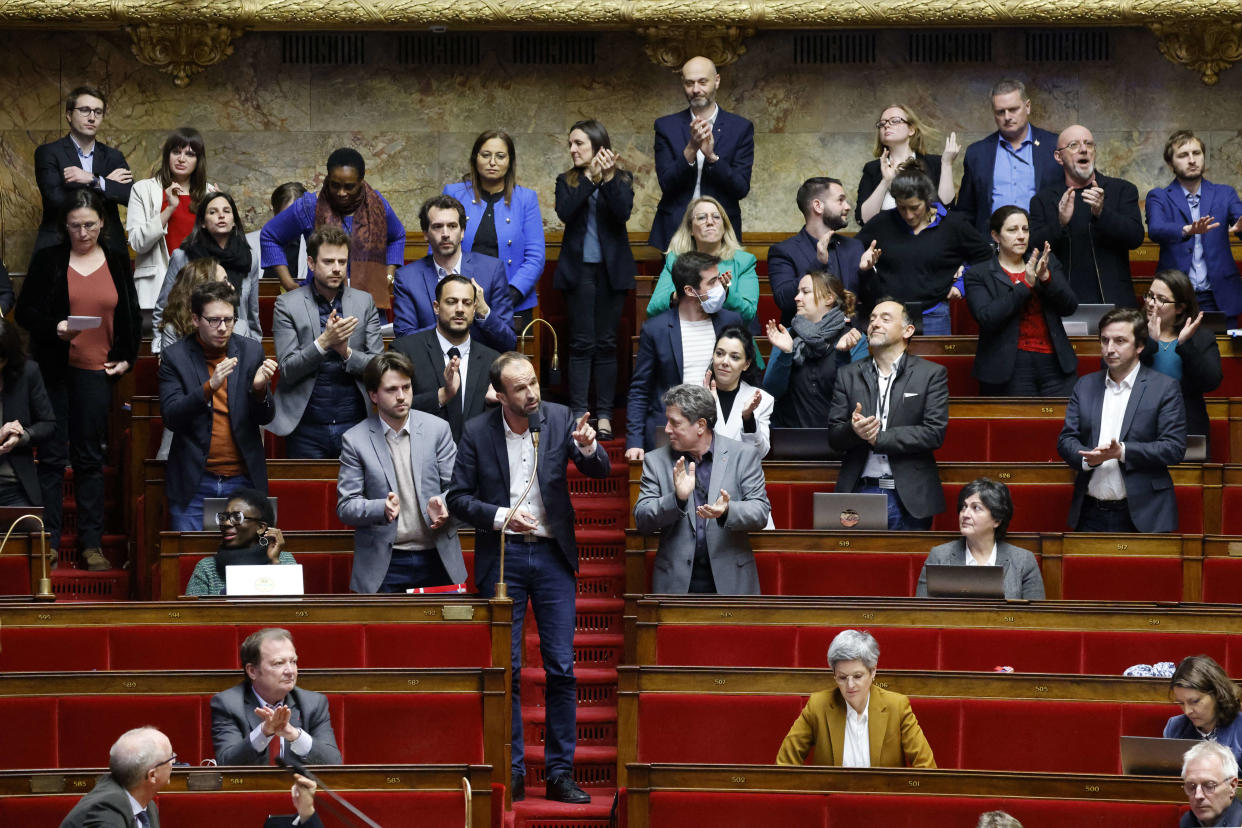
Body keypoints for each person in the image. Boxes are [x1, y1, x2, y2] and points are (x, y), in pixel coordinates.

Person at [446, 352, 609, 804]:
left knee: (561, 668)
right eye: (520, 388)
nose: (532, 393)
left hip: (554, 557)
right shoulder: (478, 432)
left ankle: (559, 774)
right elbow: (458, 498)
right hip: (504, 558)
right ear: (500, 394)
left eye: (534, 382)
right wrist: (501, 516)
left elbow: (597, 470)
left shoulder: (558, 418)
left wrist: (591, 448)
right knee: (509, 671)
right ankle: (513, 771)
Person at [16, 188, 140, 572]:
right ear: (64, 227)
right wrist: (55, 327)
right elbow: (24, 314)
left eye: (89, 225)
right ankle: (48, 541)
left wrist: (127, 360)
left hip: (96, 371)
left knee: (89, 458)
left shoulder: (117, 261)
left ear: (102, 223)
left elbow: (131, 317)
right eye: (75, 226)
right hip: (53, 370)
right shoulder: (49, 259)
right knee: (51, 458)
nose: (83, 233)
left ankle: (91, 545)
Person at [337, 352, 466, 593]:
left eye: (406, 387)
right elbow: (346, 506)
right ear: (373, 395)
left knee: (446, 631)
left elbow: (460, 490)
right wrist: (380, 508)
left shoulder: (437, 429)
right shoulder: (355, 440)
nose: (401, 396)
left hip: (437, 555)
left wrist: (445, 503)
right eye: (391, 389)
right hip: (385, 562)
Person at [159, 281, 277, 532]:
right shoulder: (175, 357)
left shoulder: (251, 351)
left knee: (245, 565)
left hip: (243, 481)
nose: (223, 328)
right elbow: (172, 416)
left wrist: (259, 391)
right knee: (189, 563)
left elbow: (266, 416)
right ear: (195, 319)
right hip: (195, 482)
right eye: (214, 320)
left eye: (229, 319)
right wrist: (208, 387)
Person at [1057, 306, 1186, 533]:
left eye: (1119, 341)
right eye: (1105, 341)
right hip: (1090, 512)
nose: (1110, 349)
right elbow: (1067, 439)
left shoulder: (1164, 388)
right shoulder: (1085, 385)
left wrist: (1122, 452)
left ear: (1139, 346)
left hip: (1145, 512)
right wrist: (1089, 459)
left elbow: (1173, 448)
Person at [633, 383, 770, 593]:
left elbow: (760, 513)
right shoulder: (655, 461)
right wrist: (676, 499)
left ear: (700, 425)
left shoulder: (743, 455)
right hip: (675, 584)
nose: (667, 429)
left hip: (731, 581)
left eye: (674, 423)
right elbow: (642, 518)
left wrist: (727, 510)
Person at [828, 299, 948, 530]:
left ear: (908, 330)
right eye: (872, 318)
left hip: (910, 496)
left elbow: (934, 433)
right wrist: (854, 431)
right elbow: (834, 436)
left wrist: (879, 438)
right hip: (861, 490)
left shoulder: (931, 374)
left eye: (885, 318)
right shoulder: (848, 375)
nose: (875, 323)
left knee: (909, 565)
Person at [270, 226, 383, 458]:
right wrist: (323, 343)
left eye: (342, 262)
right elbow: (288, 370)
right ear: (311, 263)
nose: (337, 269)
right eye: (328, 261)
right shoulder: (287, 305)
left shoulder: (364, 302)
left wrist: (346, 352)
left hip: (356, 422)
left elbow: (379, 367)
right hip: (305, 427)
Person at [554, 119, 636, 440]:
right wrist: (590, 178)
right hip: (578, 274)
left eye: (579, 144)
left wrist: (609, 178)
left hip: (611, 274)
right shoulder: (568, 180)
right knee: (580, 343)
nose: (572, 149)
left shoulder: (622, 178)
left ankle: (603, 415)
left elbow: (622, 212)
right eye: (571, 144)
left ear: (598, 147)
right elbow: (565, 211)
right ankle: (578, 413)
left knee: (606, 344)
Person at [625, 251, 743, 460]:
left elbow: (746, 378)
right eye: (713, 282)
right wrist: (634, 442)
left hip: (721, 428)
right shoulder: (656, 329)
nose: (720, 287)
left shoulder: (730, 321)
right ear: (690, 290)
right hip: (671, 431)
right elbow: (640, 389)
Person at [260, 147, 405, 309]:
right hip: (320, 303)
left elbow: (397, 236)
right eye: (335, 185)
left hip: (369, 303)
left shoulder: (378, 205)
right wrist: (288, 284)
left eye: (349, 187)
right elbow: (270, 236)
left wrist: (389, 275)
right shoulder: (309, 206)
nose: (341, 193)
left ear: (361, 182)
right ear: (327, 179)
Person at [856, 166, 992, 335]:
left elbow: (985, 256)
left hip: (935, 315)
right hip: (889, 315)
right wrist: (864, 264)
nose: (909, 215)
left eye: (915, 207)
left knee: (934, 362)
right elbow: (852, 251)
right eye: (901, 207)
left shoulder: (954, 225)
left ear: (928, 199)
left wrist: (962, 285)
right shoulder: (882, 222)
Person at [776, 629, 935, 767]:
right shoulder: (818, 705)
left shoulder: (897, 706)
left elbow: (926, 766)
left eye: (858, 676)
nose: (850, 685)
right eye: (842, 678)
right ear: (834, 675)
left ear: (873, 672)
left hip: (882, 798)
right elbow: (785, 763)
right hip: (833, 798)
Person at [964, 205, 1079, 396]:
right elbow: (987, 317)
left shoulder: (1046, 262)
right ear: (995, 236)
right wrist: (1025, 284)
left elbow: (1069, 306)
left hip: (1055, 362)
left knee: (1063, 423)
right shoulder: (979, 274)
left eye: (1025, 229)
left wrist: (1046, 278)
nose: (1021, 236)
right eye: (1012, 230)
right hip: (1008, 366)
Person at [1028, 124, 1144, 306]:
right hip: (1063, 303)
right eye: (1074, 145)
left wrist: (1102, 213)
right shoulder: (1043, 200)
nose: (1083, 149)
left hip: (1115, 301)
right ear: (1059, 157)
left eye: (1089, 144)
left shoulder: (1122, 190)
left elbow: (1135, 238)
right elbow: (1033, 247)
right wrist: (1060, 223)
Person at [649, 55, 754, 251]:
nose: (696, 89)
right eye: (689, 83)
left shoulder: (740, 128)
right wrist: (690, 149)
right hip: (675, 231)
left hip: (721, 234)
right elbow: (667, 184)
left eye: (702, 82)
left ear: (717, 81)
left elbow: (741, 188)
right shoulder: (665, 126)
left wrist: (712, 158)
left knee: (720, 283)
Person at [443, 130, 545, 330]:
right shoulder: (454, 193)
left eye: (500, 156)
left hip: (513, 301)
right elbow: (439, 248)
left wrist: (509, 295)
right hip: (460, 301)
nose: (492, 162)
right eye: (485, 155)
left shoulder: (526, 199)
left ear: (510, 161)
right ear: (475, 158)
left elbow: (536, 257)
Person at [392, 194, 515, 351]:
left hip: (479, 369)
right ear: (425, 234)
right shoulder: (407, 277)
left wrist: (483, 311)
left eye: (452, 226)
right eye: (437, 227)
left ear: (462, 231)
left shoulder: (492, 270)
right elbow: (404, 339)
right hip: (428, 368)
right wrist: (445, 326)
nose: (445, 234)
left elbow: (509, 342)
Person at [390, 274, 500, 443]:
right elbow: (391, 406)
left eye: (467, 303)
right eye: (451, 301)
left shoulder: (492, 360)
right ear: (436, 307)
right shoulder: (405, 350)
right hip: (421, 455)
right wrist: (443, 395)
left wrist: (495, 404)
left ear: (474, 307)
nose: (460, 309)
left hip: (473, 461)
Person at [211, 627, 342, 765]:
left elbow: (333, 763)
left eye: (293, 661)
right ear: (252, 671)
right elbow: (227, 764)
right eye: (279, 663)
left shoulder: (314, 703)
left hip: (300, 786)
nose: (290, 671)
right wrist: (263, 732)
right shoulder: (228, 704)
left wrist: (294, 735)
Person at [1146, 130, 1242, 315]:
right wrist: (1187, 229)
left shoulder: (1225, 194)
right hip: (1174, 297)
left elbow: (1240, 222)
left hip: (1219, 295)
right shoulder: (1159, 196)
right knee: (1176, 344)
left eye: (1196, 153)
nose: (1192, 160)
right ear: (1170, 163)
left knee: (1220, 345)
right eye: (1183, 155)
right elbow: (1156, 230)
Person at [152, 191, 261, 354]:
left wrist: (254, 350)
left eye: (226, 211)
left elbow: (252, 314)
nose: (221, 216)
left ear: (234, 221)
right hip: (190, 345)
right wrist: (161, 350)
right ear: (202, 222)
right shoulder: (183, 255)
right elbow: (164, 308)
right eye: (213, 212)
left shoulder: (249, 257)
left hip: (238, 344)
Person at [33, 86, 132, 264]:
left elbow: (131, 196)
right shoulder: (48, 153)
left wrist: (93, 180)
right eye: (85, 110)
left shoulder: (113, 156)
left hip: (108, 246)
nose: (92, 117)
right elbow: (56, 200)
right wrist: (106, 185)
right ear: (69, 115)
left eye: (98, 112)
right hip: (59, 245)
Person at [126, 126, 215, 317]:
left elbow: (221, 249)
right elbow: (137, 243)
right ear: (167, 155)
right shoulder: (143, 190)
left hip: (199, 289)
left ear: (198, 160)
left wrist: (218, 210)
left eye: (190, 154)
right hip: (156, 288)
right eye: (176, 152)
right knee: (154, 346)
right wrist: (169, 209)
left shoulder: (209, 194)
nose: (181, 159)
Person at [767, 177, 877, 328]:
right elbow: (784, 301)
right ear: (818, 206)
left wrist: (866, 272)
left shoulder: (854, 246)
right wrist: (817, 264)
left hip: (852, 339)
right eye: (840, 200)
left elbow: (873, 301)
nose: (848, 207)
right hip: (804, 341)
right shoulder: (783, 251)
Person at [956, 79, 1061, 237]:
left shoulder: (1054, 146)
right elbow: (966, 211)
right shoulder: (977, 153)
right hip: (992, 246)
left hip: (1042, 242)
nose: (1007, 117)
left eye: (1013, 109)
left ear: (1027, 107)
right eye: (1000, 112)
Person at [915, 478, 1045, 599]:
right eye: (964, 507)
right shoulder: (939, 556)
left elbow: (1033, 618)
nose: (965, 514)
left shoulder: (1023, 561)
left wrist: (1005, 621)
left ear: (997, 520)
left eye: (976, 508)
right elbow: (923, 615)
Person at [646, 195, 758, 326]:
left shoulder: (744, 261)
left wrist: (726, 294)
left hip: (730, 337)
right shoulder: (675, 259)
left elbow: (748, 314)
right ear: (690, 229)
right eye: (701, 217)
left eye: (716, 217)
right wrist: (679, 296)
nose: (710, 222)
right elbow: (652, 310)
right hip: (686, 334)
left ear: (724, 227)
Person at [764, 272, 857, 429]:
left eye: (805, 292)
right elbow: (771, 393)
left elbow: (854, 396)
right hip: (790, 439)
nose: (797, 298)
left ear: (829, 298)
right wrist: (786, 353)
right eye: (798, 292)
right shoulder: (786, 335)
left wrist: (843, 355)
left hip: (837, 439)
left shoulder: (851, 338)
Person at [1145, 269, 1222, 447]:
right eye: (1149, 296)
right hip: (1140, 426)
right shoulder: (1133, 331)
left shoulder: (1201, 337)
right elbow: (1114, 373)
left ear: (1180, 307)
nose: (1151, 303)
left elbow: (1211, 382)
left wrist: (1185, 345)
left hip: (1187, 425)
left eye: (1161, 299)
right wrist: (1149, 342)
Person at [857, 103, 958, 225]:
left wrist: (947, 164)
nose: (886, 125)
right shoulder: (872, 169)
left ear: (911, 129)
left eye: (894, 121)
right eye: (882, 123)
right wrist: (885, 182)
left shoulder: (935, 163)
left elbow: (946, 209)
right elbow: (864, 220)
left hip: (927, 240)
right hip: (884, 241)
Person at [185, 488, 297, 597]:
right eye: (225, 517)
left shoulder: (285, 560)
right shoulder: (207, 568)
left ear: (261, 528)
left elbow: (293, 609)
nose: (227, 523)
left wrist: (273, 563)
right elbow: (193, 613)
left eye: (237, 517)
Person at [57, 726, 171, 828]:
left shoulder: (146, 804)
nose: (174, 763)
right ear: (152, 775)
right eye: (170, 758)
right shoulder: (106, 812)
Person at [0, 320, 55, 509]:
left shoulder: (28, 373)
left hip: (15, 488)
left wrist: (23, 436)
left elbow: (48, 424)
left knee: (29, 529)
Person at [705, 325, 773, 458]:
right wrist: (707, 410)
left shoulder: (762, 399)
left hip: (741, 476)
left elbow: (760, 453)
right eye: (719, 353)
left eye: (734, 357)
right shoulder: (695, 394)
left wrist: (748, 419)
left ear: (746, 364)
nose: (724, 362)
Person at [1165, 656, 1242, 762]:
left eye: (1195, 701)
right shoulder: (1175, 727)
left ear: (1217, 694)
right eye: (1181, 703)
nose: (1187, 711)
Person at [156, 257, 228, 355]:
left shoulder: (241, 327)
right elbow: (172, 369)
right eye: (224, 282)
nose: (232, 287)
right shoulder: (173, 331)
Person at [247, 182, 308, 288]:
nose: (290, 223)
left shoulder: (313, 245)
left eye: (295, 217)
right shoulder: (248, 243)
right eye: (285, 216)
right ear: (275, 212)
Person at [1180, 740, 1242, 827]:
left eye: (1209, 786)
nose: (1198, 796)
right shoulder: (1188, 821)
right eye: (1192, 786)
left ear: (1232, 786)